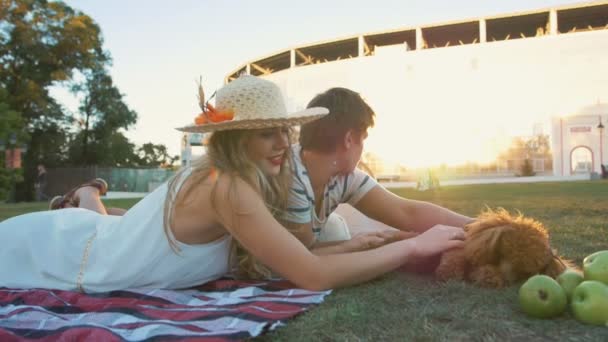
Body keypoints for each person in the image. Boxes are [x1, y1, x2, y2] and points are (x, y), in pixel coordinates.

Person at [0, 76, 465, 293]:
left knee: (111, 229)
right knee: (103, 233)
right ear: (236, 139)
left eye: (285, 129)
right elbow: (310, 274)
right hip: (53, 253)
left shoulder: (250, 178)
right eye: (268, 132)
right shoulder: (229, 188)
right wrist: (410, 248)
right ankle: (85, 199)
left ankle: (86, 198)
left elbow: (285, 258)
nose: (284, 143)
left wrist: (372, 242)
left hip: (98, 242)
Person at [281, 87, 473, 255]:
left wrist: (480, 225)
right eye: (363, 138)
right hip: (270, 261)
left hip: (300, 246)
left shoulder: (341, 175)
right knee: (334, 234)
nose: (363, 148)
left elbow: (407, 212)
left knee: (334, 229)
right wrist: (358, 246)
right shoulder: (291, 176)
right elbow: (301, 258)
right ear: (349, 139)